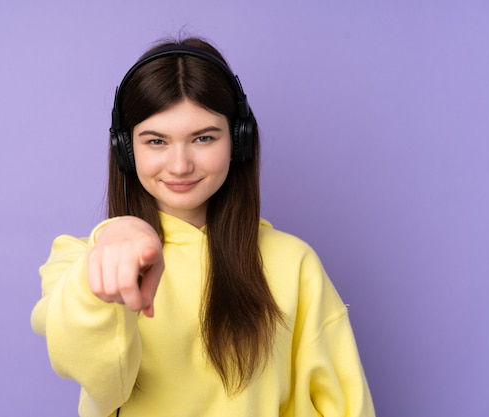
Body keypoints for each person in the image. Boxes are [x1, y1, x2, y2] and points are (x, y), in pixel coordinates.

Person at [31, 36, 376, 417]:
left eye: (203, 138)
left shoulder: (294, 263)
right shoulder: (79, 260)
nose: (180, 165)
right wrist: (114, 240)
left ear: (238, 142)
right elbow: (98, 379)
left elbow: (346, 407)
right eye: (156, 141)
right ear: (127, 151)